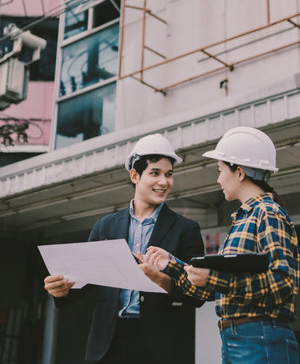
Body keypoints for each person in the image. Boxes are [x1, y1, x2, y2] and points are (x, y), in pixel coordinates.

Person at [138, 127, 300, 364]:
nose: (218, 179)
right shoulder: (242, 218)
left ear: (240, 172)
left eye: (220, 170)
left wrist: (213, 278)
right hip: (237, 338)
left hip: (261, 338)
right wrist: (172, 265)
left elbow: (282, 284)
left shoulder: (268, 212)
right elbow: (211, 290)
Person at [44, 133, 204, 364]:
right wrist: (61, 289)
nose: (164, 182)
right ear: (135, 175)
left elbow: (197, 295)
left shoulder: (186, 228)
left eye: (169, 174)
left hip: (162, 347)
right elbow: (85, 283)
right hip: (108, 344)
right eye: (155, 173)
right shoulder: (105, 226)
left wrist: (161, 280)